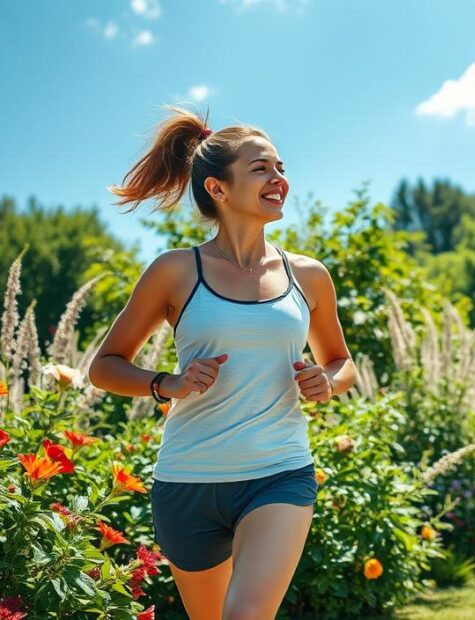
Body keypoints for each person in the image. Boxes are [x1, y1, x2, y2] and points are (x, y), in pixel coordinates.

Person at [88, 104, 357, 619]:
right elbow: (106, 365)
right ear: (218, 188)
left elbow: (342, 362)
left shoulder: (309, 275)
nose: (278, 178)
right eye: (261, 169)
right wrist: (168, 383)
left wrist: (326, 381)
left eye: (280, 167)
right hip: (188, 480)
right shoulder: (174, 271)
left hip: (278, 471)